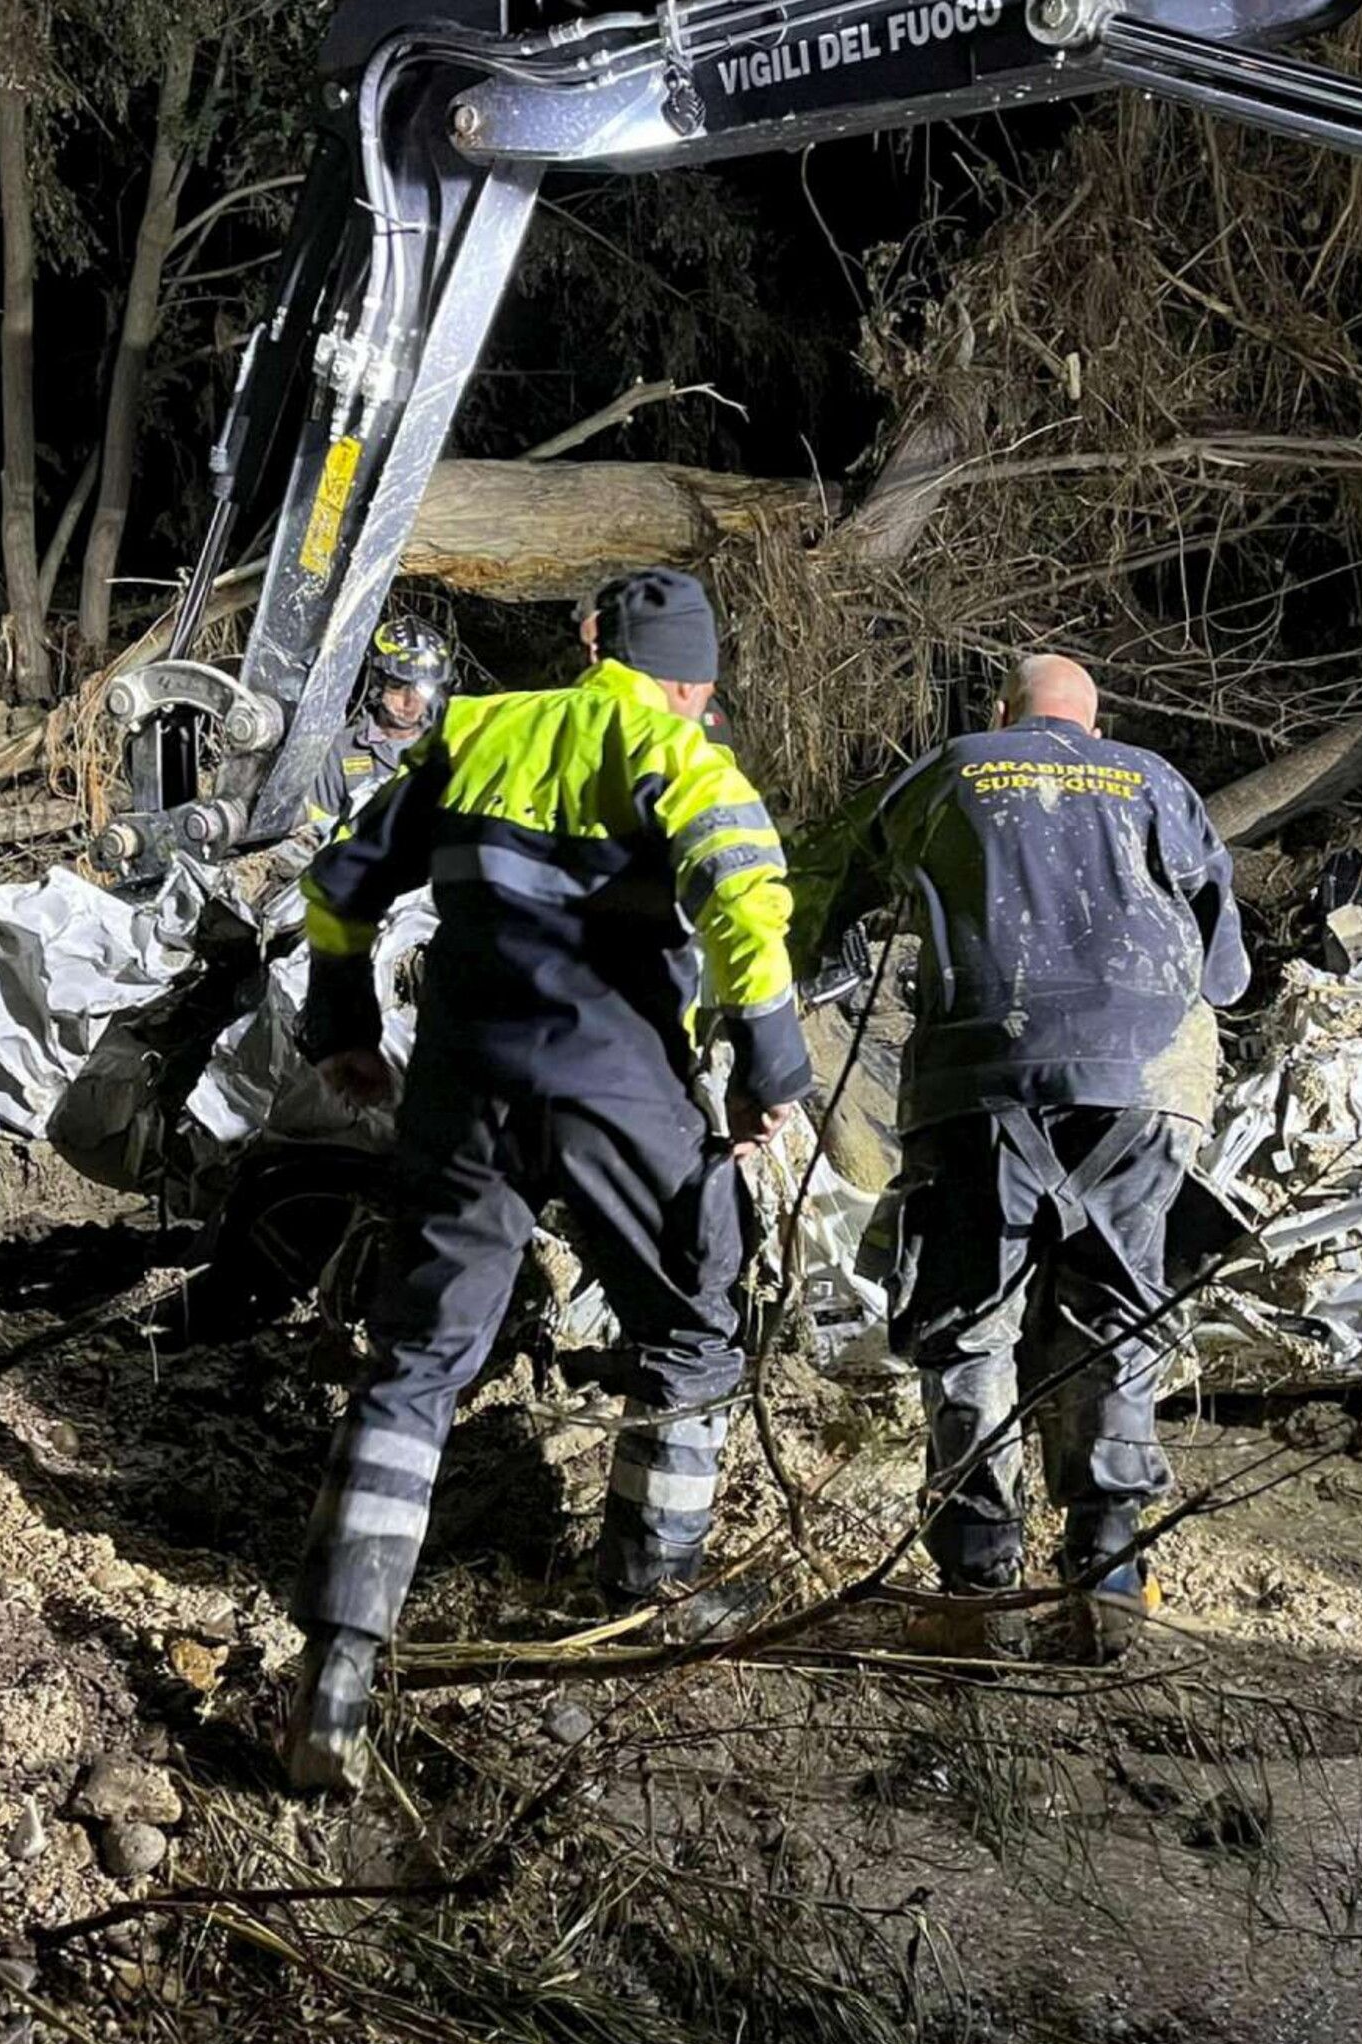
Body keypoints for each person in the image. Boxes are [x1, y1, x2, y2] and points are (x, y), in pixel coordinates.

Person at [277, 568, 813, 1791]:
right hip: (617, 1082)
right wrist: (768, 1074)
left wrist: (343, 1024)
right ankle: (648, 1598)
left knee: (418, 1357)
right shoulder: (682, 760)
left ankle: (338, 1669)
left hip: (465, 1081)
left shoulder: (473, 732)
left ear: (594, 647)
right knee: (690, 1322)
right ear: (693, 682)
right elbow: (747, 914)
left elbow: (339, 886)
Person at [830, 654, 1249, 1659]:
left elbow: (837, 899)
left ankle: (978, 1597)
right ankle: (1108, 1583)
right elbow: (1225, 971)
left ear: (1002, 711)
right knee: (1117, 1318)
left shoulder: (950, 768)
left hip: (979, 1080)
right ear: (1094, 726)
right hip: (1140, 1085)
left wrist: (827, 971)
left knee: (970, 1326)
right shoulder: (1156, 781)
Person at [283, 614, 455, 860]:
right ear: (377, 680)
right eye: (398, 685)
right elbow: (310, 836)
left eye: (422, 688)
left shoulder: (450, 744)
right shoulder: (342, 751)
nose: (411, 702)